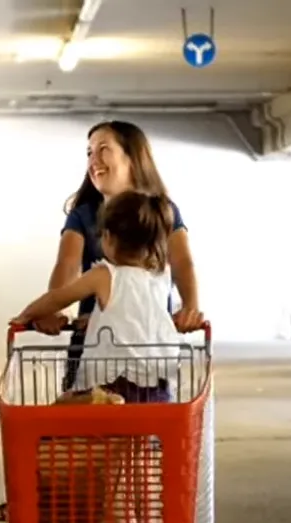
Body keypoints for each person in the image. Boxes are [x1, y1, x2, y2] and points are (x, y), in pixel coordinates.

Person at [14, 190, 184, 523]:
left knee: (115, 514)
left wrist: (28, 315)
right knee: (135, 505)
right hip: (158, 406)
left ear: (106, 238)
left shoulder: (103, 274)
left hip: (111, 404)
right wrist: (94, 321)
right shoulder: (159, 276)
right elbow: (135, 321)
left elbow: (55, 299)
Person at [37, 120, 204, 389]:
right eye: (89, 152)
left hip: (148, 345)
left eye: (104, 149)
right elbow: (66, 264)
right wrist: (52, 310)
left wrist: (190, 308)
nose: (93, 159)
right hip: (94, 345)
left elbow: (182, 262)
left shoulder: (163, 211)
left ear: (132, 158)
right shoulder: (83, 215)